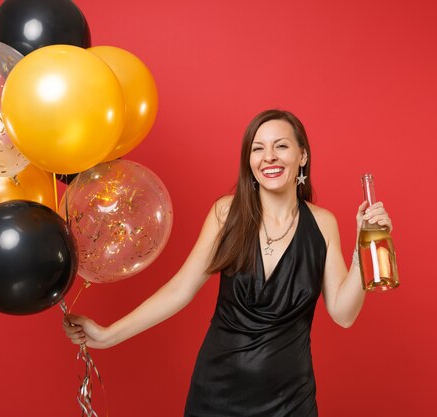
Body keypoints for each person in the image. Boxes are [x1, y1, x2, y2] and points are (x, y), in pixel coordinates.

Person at [63, 109, 393, 416]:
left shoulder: (323, 224)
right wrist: (108, 336)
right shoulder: (226, 214)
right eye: (258, 149)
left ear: (302, 156)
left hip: (290, 400)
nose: (269, 157)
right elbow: (180, 290)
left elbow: (344, 314)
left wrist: (361, 250)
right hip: (217, 394)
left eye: (281, 146)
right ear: (248, 160)